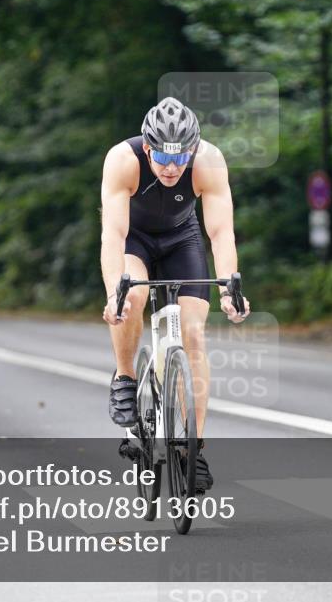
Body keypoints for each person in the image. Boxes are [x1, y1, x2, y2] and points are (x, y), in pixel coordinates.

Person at [100, 97, 250, 491]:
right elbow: (113, 234)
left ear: (193, 150)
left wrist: (231, 286)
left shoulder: (208, 161)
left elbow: (220, 233)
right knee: (130, 298)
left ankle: (193, 451)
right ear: (148, 148)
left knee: (194, 335)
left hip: (182, 239)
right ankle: (126, 378)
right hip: (134, 239)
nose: (171, 168)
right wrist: (113, 290)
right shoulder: (123, 160)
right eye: (163, 158)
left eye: (180, 158)